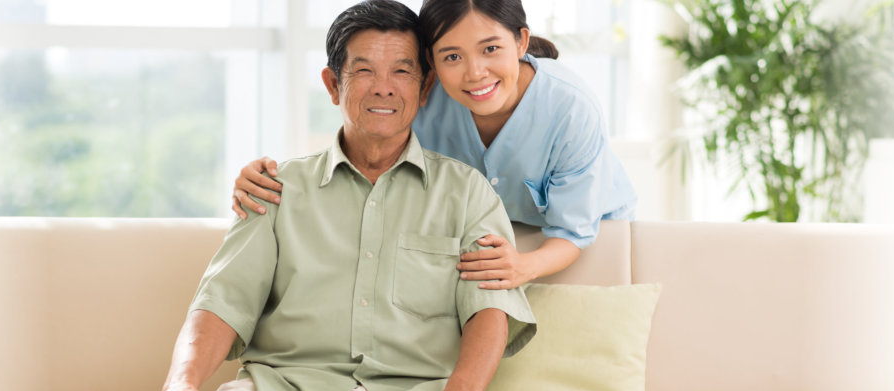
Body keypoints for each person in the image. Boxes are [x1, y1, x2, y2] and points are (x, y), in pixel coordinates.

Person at [121, 1, 536, 391]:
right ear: (333, 84)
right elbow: (221, 302)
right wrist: (181, 382)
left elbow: (488, 307)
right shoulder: (276, 188)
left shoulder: (467, 192)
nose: (384, 87)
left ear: (425, 88)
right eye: (364, 71)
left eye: (402, 71)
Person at [230, 0, 639, 291]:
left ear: (520, 41)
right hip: (481, 240)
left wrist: (523, 265)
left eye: (491, 49)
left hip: (582, 239)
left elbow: (573, 230)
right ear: (431, 62)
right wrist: (268, 180)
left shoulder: (569, 106)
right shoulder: (422, 96)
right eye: (452, 56)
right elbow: (362, 149)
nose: (475, 73)